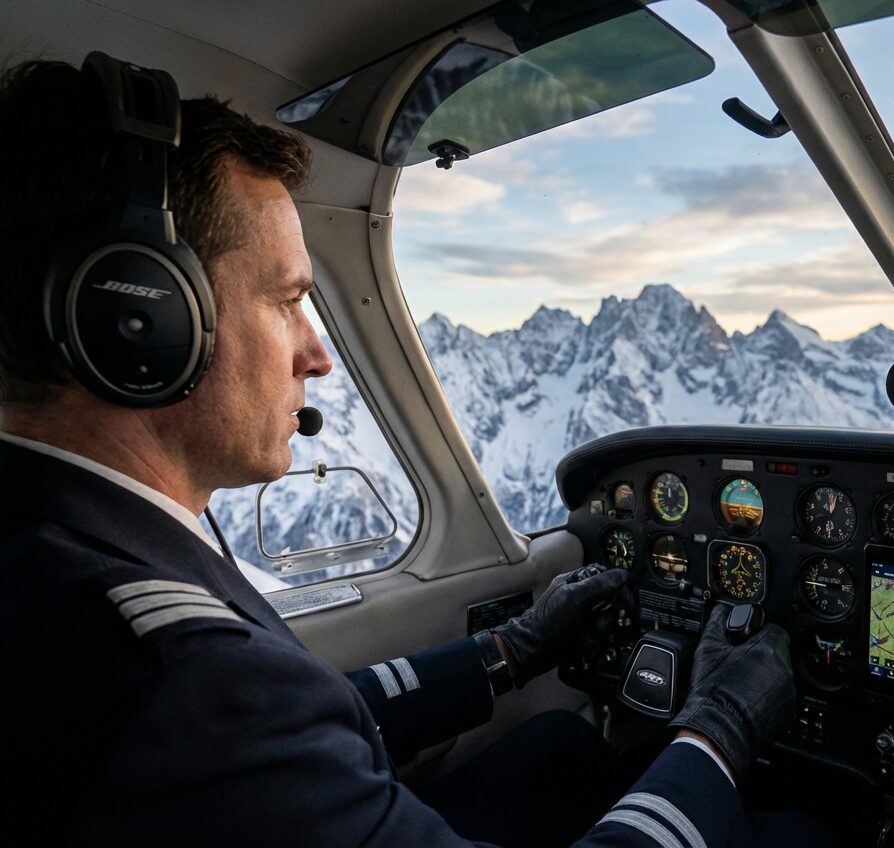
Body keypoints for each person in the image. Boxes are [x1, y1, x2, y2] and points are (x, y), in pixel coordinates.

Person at [0, 54, 828, 847]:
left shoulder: (53, 555)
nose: (317, 352)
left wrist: (512, 650)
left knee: (559, 752)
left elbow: (305, 725)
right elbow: (257, 719)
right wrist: (717, 735)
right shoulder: (183, 679)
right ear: (142, 318)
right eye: (289, 299)